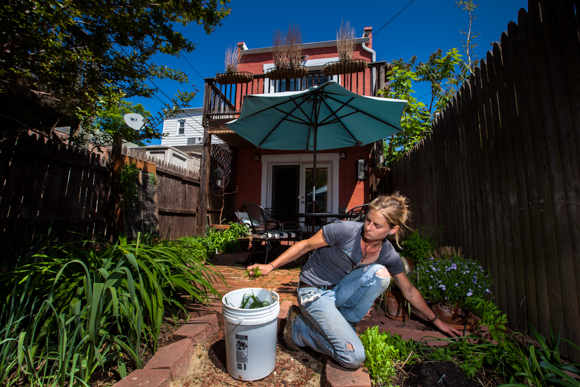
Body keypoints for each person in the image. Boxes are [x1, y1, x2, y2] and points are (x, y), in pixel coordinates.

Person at [246, 193, 460, 369]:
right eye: (368, 220)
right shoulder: (345, 230)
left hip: (338, 293)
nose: (368, 228)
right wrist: (270, 266)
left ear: (392, 230)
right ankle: (298, 330)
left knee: (380, 274)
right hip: (314, 292)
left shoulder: (387, 253)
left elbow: (409, 291)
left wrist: (436, 321)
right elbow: (304, 246)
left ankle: (338, 324)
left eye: (377, 226)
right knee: (353, 358)